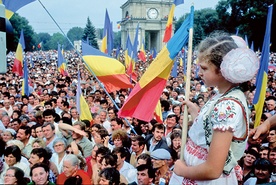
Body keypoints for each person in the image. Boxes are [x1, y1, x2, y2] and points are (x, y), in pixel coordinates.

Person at [173, 34, 259, 184]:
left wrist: (183, 171)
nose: (199, 73)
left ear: (222, 69)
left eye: (204, 68)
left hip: (202, 177)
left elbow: (213, 169)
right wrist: (195, 112)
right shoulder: (222, 95)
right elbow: (210, 131)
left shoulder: (228, 106)